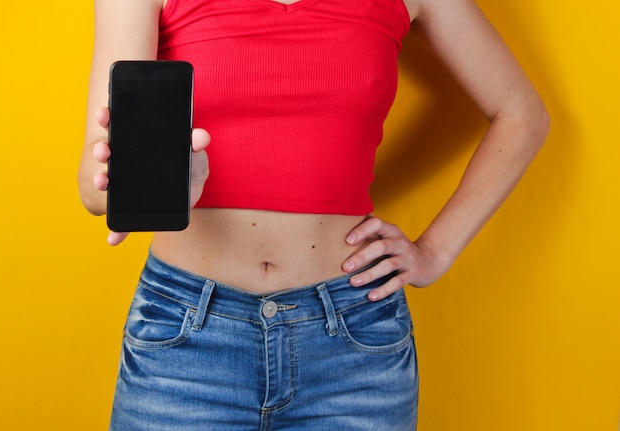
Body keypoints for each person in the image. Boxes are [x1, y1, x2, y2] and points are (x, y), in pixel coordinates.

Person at [78, 0, 549, 429]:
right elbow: (95, 184)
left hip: (354, 347)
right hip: (185, 339)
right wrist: (162, 189)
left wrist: (434, 251)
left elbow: (522, 112)